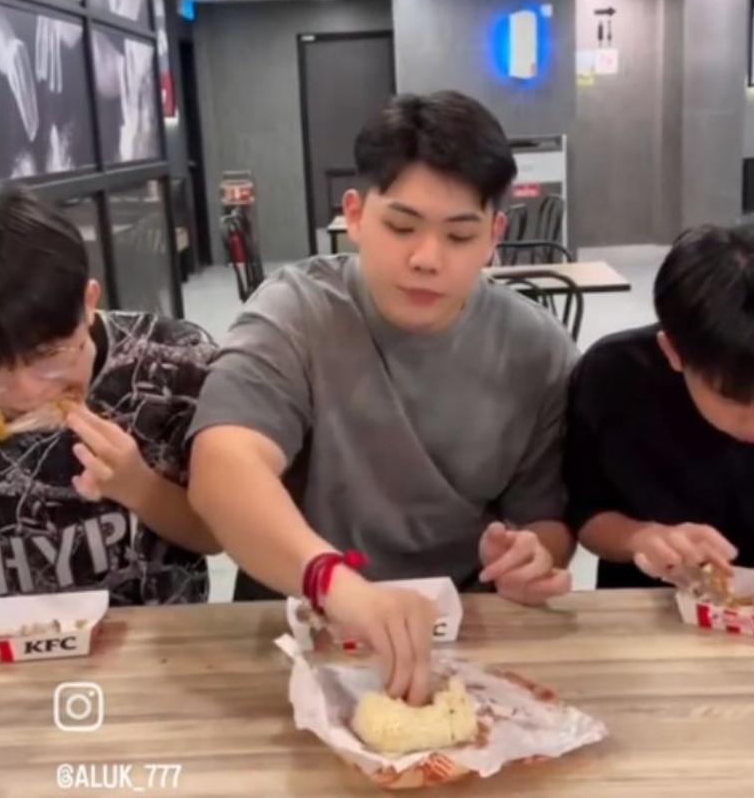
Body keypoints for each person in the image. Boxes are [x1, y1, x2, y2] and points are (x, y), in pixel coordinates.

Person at [188, 91, 576, 705]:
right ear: (355, 215)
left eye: (459, 235)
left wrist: (532, 557)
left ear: (494, 236)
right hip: (298, 623)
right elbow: (221, 469)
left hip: (457, 637)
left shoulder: (538, 349)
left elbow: (546, 522)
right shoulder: (297, 310)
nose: (426, 259)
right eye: (401, 226)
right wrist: (335, 583)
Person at [565, 218, 754, 604]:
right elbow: (587, 514)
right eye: (732, 400)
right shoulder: (616, 377)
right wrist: (641, 537)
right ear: (673, 352)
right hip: (657, 616)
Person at [0, 185, 218, 605]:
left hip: (158, 649)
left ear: (88, 303)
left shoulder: (177, 363)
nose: (25, 393)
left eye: (48, 356)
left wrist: (137, 486)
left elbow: (216, 534)